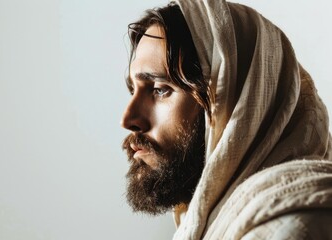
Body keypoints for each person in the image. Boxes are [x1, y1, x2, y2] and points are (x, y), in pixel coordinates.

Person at [120, 0, 332, 239]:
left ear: (239, 100)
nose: (128, 120)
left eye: (160, 89)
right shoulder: (214, 224)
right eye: (132, 90)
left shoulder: (296, 226)